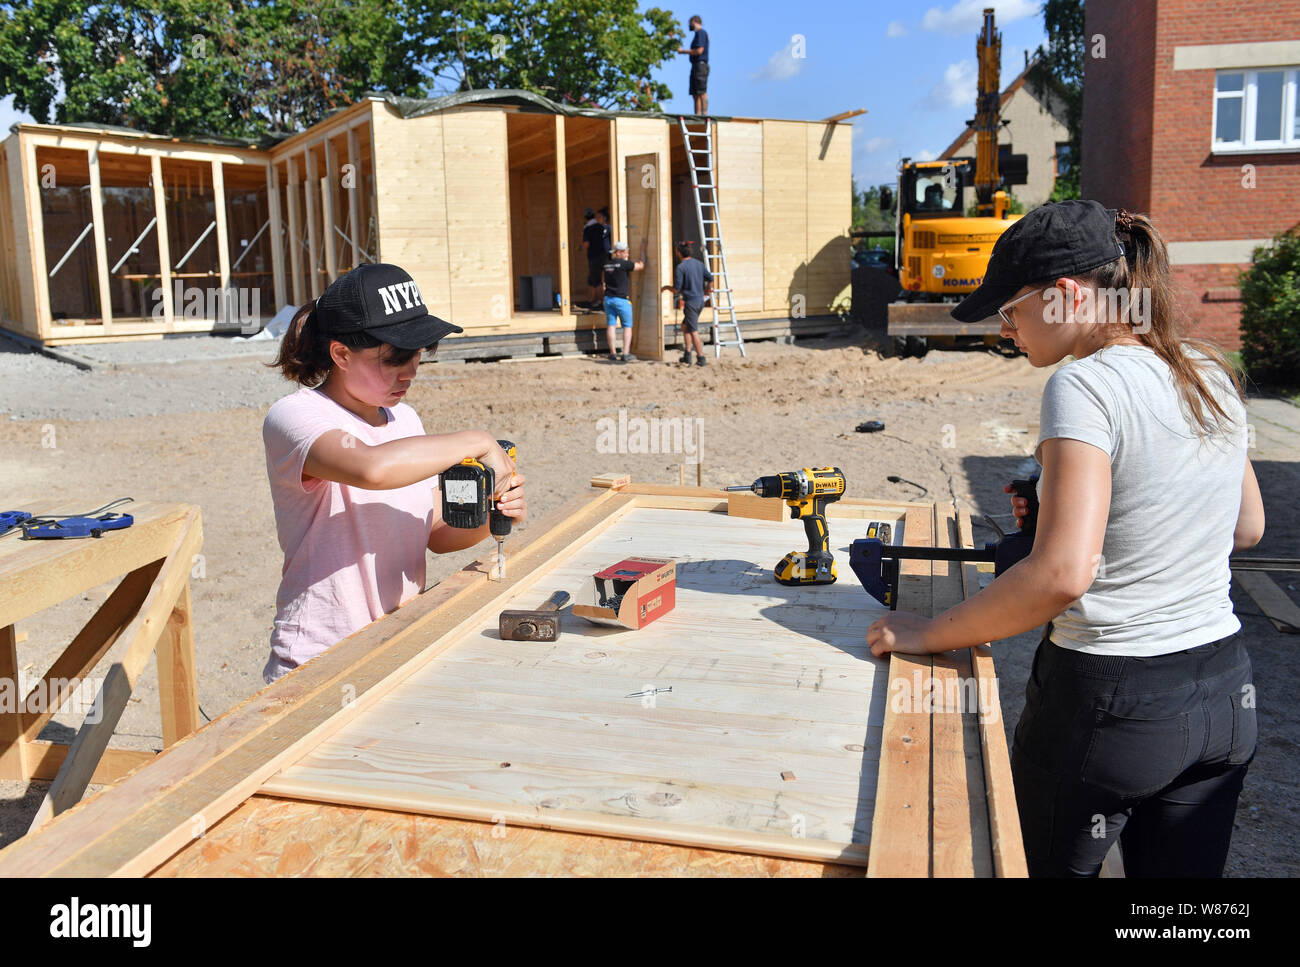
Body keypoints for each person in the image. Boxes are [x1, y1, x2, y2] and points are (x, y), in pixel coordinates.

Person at [865, 200, 1263, 878]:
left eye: (1013, 309)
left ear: (1067, 296)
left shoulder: (1085, 383)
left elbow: (1059, 575)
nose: (1006, 327)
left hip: (1113, 705)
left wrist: (927, 634)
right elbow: (1246, 525)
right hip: (1224, 694)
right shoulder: (1203, 369)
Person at [261, 263, 527, 683]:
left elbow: (436, 532)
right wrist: (479, 440)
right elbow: (372, 468)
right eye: (395, 358)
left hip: (396, 644)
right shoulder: (296, 417)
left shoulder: (406, 421)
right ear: (340, 354)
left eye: (419, 354)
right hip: (319, 661)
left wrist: (492, 514)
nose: (411, 371)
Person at [661, 241, 713, 366]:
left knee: (693, 329)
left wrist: (666, 288)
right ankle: (687, 354)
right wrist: (706, 293)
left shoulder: (681, 267)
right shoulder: (699, 264)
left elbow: (676, 289)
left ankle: (701, 358)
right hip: (699, 301)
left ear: (678, 253)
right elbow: (711, 279)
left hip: (691, 303)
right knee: (685, 326)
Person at [603, 240, 643, 362]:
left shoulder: (607, 264)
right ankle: (625, 354)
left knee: (611, 325)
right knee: (627, 326)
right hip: (621, 300)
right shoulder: (624, 264)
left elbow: (603, 279)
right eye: (626, 252)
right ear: (619, 252)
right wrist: (642, 251)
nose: (627, 254)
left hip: (608, 299)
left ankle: (613, 353)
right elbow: (641, 266)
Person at [677, 15, 709, 115]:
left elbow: (699, 50)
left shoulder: (701, 33)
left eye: (690, 23)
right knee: (695, 93)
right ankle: (697, 116)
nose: (689, 25)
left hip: (701, 65)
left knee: (701, 92)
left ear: (694, 22)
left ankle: (704, 115)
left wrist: (683, 51)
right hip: (696, 65)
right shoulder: (697, 35)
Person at [581, 207, 609, 308]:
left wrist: (582, 249)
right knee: (602, 279)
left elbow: (586, 244)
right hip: (604, 256)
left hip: (594, 257)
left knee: (594, 280)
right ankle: (600, 302)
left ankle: (593, 301)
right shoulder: (602, 227)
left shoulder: (588, 229)